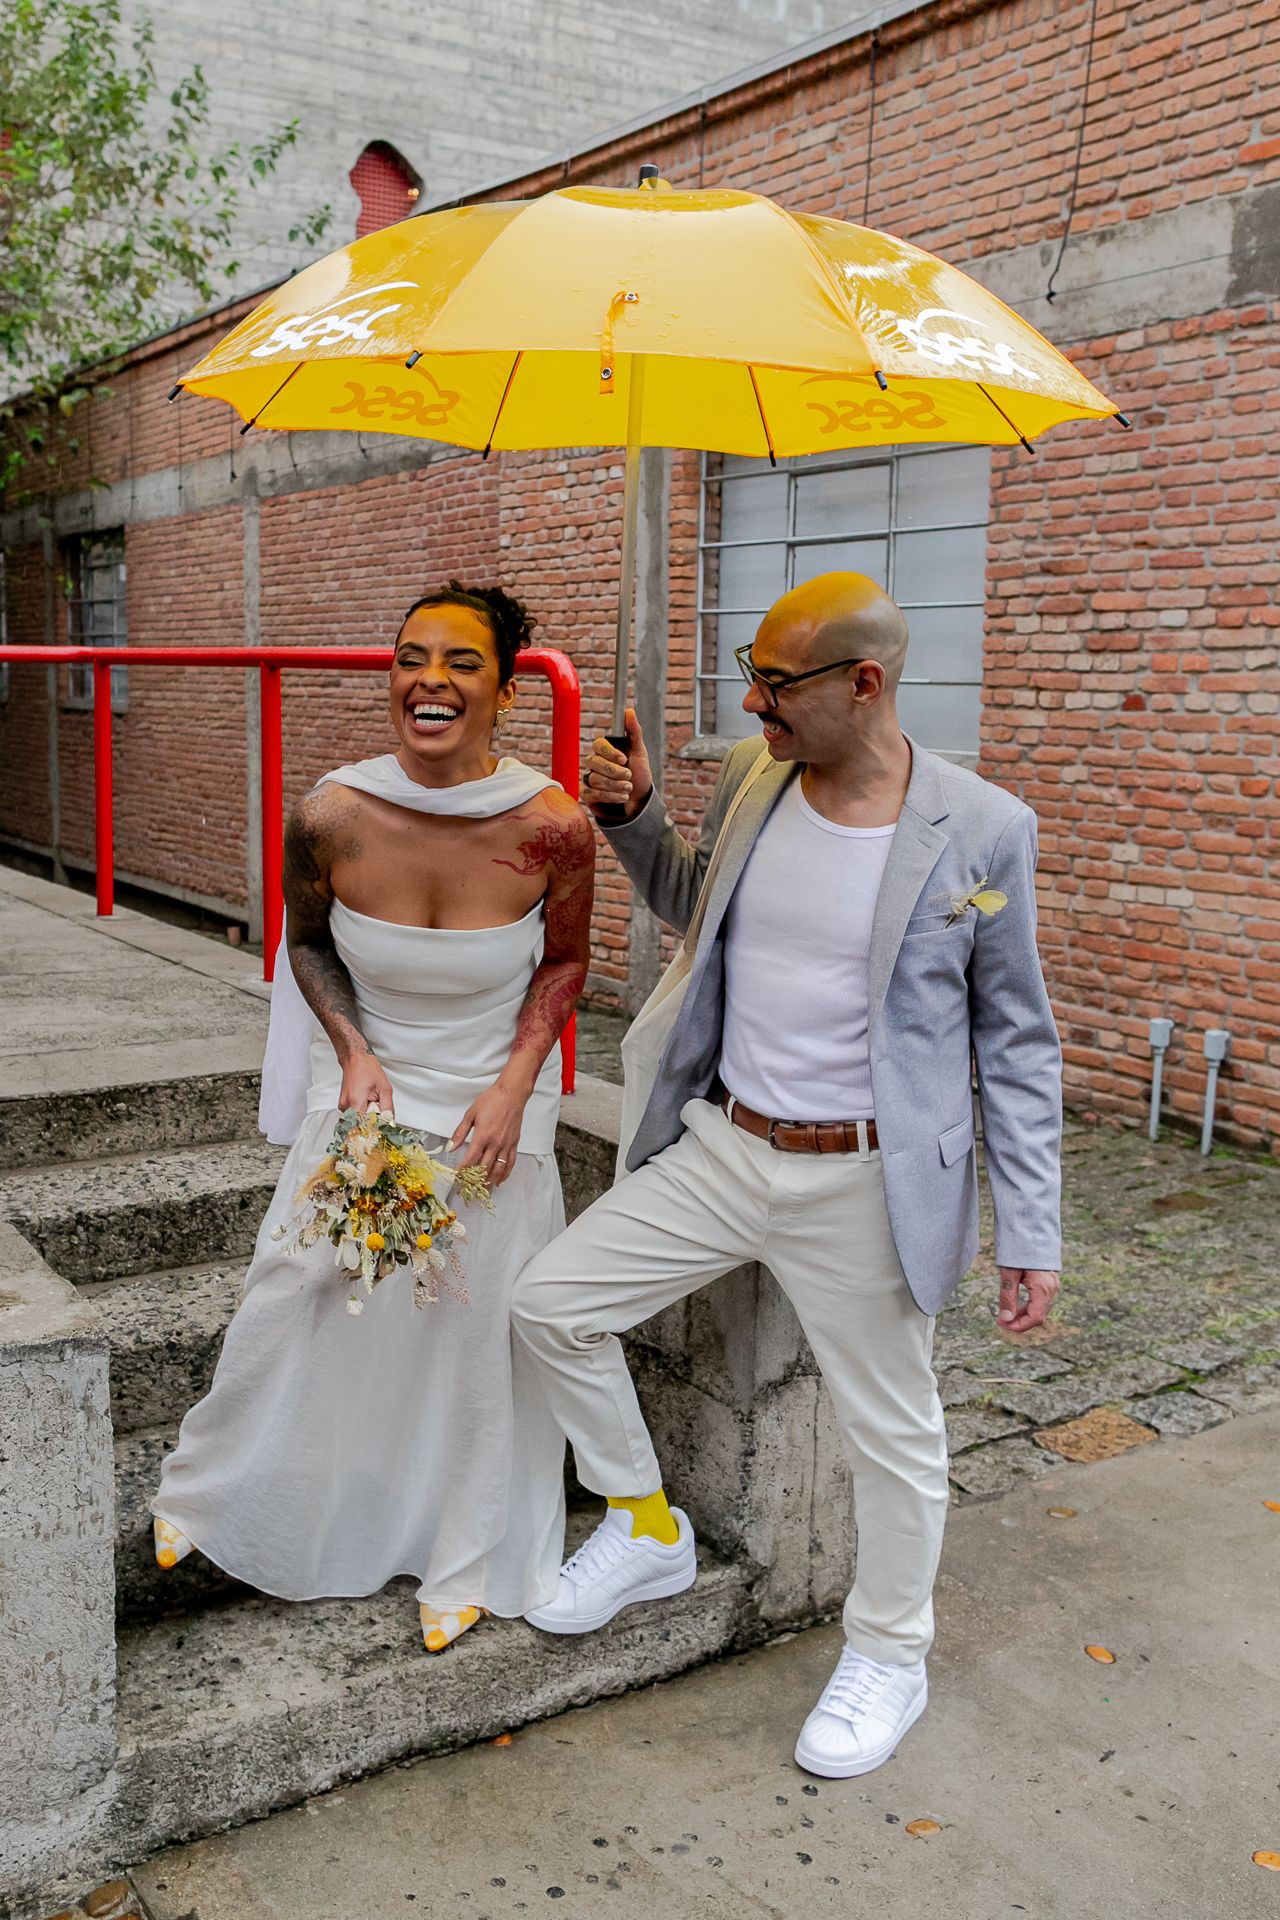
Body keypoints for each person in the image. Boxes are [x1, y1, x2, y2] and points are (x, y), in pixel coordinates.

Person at [510, 571, 1062, 1775]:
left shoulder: (980, 830)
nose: (752, 704)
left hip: (865, 1181)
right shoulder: (761, 782)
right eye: (748, 678)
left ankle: (889, 1651)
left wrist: (1031, 1230)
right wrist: (638, 816)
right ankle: (645, 1525)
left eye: (775, 683)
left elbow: (1015, 1040)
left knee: (895, 1435)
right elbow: (692, 909)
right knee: (548, 1305)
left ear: (863, 684)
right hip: (723, 1146)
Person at [153, 582, 594, 1652]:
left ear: (504, 685)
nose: (428, 682)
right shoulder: (333, 814)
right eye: (410, 658)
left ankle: (467, 1546)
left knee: (467, 1313)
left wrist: (513, 1085)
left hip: (493, 1089)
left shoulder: (552, 828)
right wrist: (350, 1054)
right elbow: (306, 945)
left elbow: (567, 962)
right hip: (370, 1076)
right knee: (302, 1278)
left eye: (459, 663)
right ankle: (213, 1486)